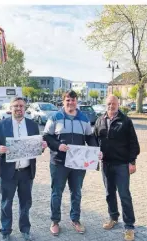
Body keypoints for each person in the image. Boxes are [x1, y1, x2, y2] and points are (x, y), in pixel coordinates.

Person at [43, 90, 100, 236]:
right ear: (63, 101)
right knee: (57, 193)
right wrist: (57, 145)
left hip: (78, 163)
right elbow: (46, 137)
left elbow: (90, 137)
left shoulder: (84, 118)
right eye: (68, 100)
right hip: (59, 162)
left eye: (73, 100)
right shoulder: (55, 117)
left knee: (77, 193)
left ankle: (75, 219)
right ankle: (55, 221)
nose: (70, 102)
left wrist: (95, 151)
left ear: (77, 102)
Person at [0, 97, 47, 241]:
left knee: (26, 203)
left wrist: (42, 147)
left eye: (21, 106)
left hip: (27, 172)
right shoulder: (2, 124)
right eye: (15, 106)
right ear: (11, 108)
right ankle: (6, 231)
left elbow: (36, 148)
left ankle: (25, 229)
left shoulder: (33, 125)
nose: (18, 108)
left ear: (25, 108)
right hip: (8, 172)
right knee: (6, 203)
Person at [93, 95, 140, 241]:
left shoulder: (126, 121)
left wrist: (132, 162)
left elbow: (134, 143)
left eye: (113, 103)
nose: (111, 106)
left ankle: (129, 226)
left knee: (124, 195)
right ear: (105, 104)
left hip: (122, 164)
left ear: (118, 104)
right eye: (108, 104)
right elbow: (94, 141)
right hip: (106, 164)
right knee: (109, 193)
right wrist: (95, 155)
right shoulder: (100, 120)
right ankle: (113, 217)